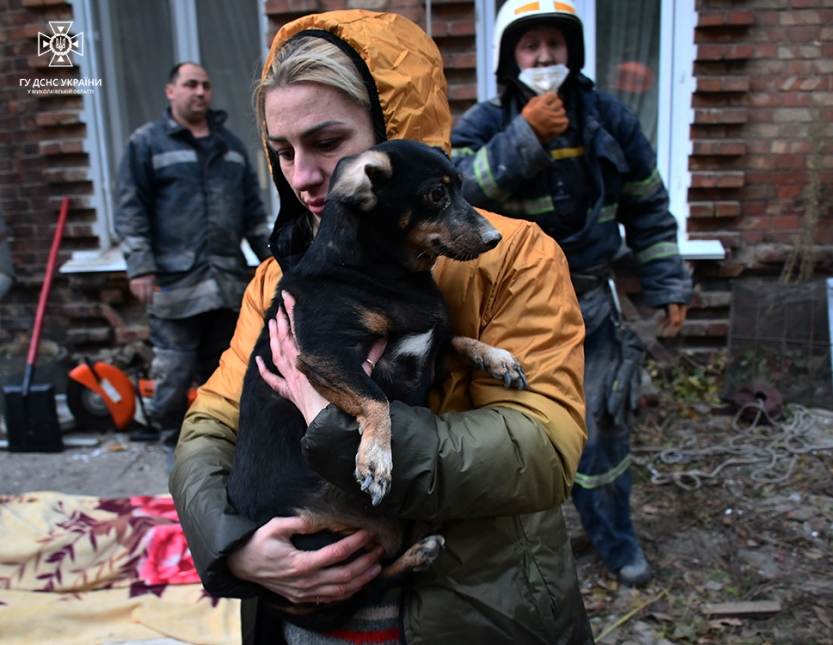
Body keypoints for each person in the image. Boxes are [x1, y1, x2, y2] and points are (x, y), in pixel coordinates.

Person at [169, 10, 595, 645]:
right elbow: (209, 425)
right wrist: (232, 547)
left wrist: (342, 427)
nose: (304, 177)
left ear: (395, 135)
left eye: (328, 143)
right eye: (282, 151)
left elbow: (542, 450)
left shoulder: (515, 258)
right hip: (309, 620)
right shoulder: (281, 278)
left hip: (477, 612)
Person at [450, 0, 692, 586]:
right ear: (512, 56)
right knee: (508, 426)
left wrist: (667, 282)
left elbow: (649, 206)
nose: (543, 57)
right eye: (530, 46)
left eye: (554, 45)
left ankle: (614, 538)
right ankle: (515, 552)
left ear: (572, 52)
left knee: (606, 423)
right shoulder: (485, 124)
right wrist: (524, 137)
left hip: (590, 301)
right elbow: (454, 198)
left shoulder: (610, 118)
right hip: (508, 308)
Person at [114, 62, 271, 467]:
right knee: (172, 370)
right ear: (171, 91)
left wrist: (275, 259)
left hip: (227, 283)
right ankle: (172, 443)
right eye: (190, 85)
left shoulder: (232, 147)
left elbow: (254, 214)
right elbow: (131, 209)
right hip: (171, 285)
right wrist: (140, 266)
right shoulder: (147, 143)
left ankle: (222, 446)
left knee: (226, 370)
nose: (200, 92)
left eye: (205, 84)